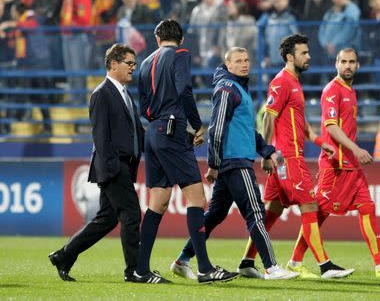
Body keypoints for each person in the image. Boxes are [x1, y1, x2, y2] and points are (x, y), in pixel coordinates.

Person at [169, 47, 299, 281]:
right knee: (255, 212)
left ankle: (182, 260)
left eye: (247, 60)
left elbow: (247, 131)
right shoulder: (228, 89)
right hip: (234, 161)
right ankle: (271, 267)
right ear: (228, 65)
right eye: (238, 61)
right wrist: (213, 164)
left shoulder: (238, 88)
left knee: (215, 214)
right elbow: (216, 129)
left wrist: (267, 151)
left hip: (233, 159)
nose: (244, 64)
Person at [237, 34, 354, 280]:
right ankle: (325, 266)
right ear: (290, 57)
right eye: (303, 53)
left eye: (308, 52)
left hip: (286, 157)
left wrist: (322, 143)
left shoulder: (294, 83)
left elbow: (304, 126)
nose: (308, 56)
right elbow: (268, 116)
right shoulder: (282, 82)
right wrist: (267, 152)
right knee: (310, 206)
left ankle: (247, 261)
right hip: (288, 158)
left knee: (272, 211)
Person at [134, 19, 239, 284]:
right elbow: (183, 90)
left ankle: (141, 269)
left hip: (154, 133)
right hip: (172, 131)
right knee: (197, 198)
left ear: (157, 38)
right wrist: (194, 124)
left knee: (157, 202)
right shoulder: (181, 54)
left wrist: (160, 121)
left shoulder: (146, 63)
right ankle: (204, 268)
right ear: (181, 39)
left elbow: (143, 105)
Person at [294, 48, 380, 279]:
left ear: (358, 65)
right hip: (335, 164)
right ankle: (296, 261)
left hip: (350, 165)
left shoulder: (351, 91)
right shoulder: (333, 90)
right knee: (317, 213)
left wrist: (354, 153)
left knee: (367, 207)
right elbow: (330, 126)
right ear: (336, 64)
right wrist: (356, 149)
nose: (347, 65)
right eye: (343, 61)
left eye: (352, 62)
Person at [48, 43, 145, 282]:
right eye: (129, 63)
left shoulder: (124, 92)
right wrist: (114, 168)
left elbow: (137, 131)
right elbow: (101, 137)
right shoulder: (102, 93)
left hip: (123, 165)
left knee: (107, 219)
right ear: (113, 64)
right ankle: (134, 271)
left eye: (134, 63)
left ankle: (63, 255)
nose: (134, 68)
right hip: (113, 166)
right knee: (131, 214)